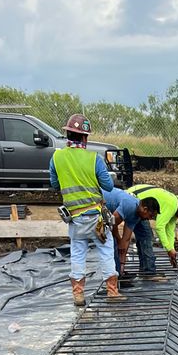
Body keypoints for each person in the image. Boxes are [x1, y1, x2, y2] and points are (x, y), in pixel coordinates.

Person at [49, 113, 123, 307]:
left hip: (74, 218)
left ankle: (78, 295)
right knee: (106, 251)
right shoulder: (94, 159)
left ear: (68, 134)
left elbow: (55, 184)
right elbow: (108, 186)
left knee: (77, 253)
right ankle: (112, 291)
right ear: (84, 137)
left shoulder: (56, 157)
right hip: (96, 217)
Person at [126, 186, 178, 279]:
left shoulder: (174, 206)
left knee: (144, 236)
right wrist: (168, 249)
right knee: (146, 236)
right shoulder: (171, 204)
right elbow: (159, 227)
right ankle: (148, 273)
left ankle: (146, 271)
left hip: (137, 202)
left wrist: (171, 249)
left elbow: (170, 230)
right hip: (133, 201)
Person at [104, 186, 152, 281]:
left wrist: (122, 265)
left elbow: (125, 241)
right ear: (145, 209)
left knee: (118, 244)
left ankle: (119, 272)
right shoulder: (130, 205)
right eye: (150, 215)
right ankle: (114, 278)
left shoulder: (137, 215)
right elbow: (111, 223)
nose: (149, 219)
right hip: (95, 202)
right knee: (111, 244)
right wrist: (117, 238)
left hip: (108, 216)